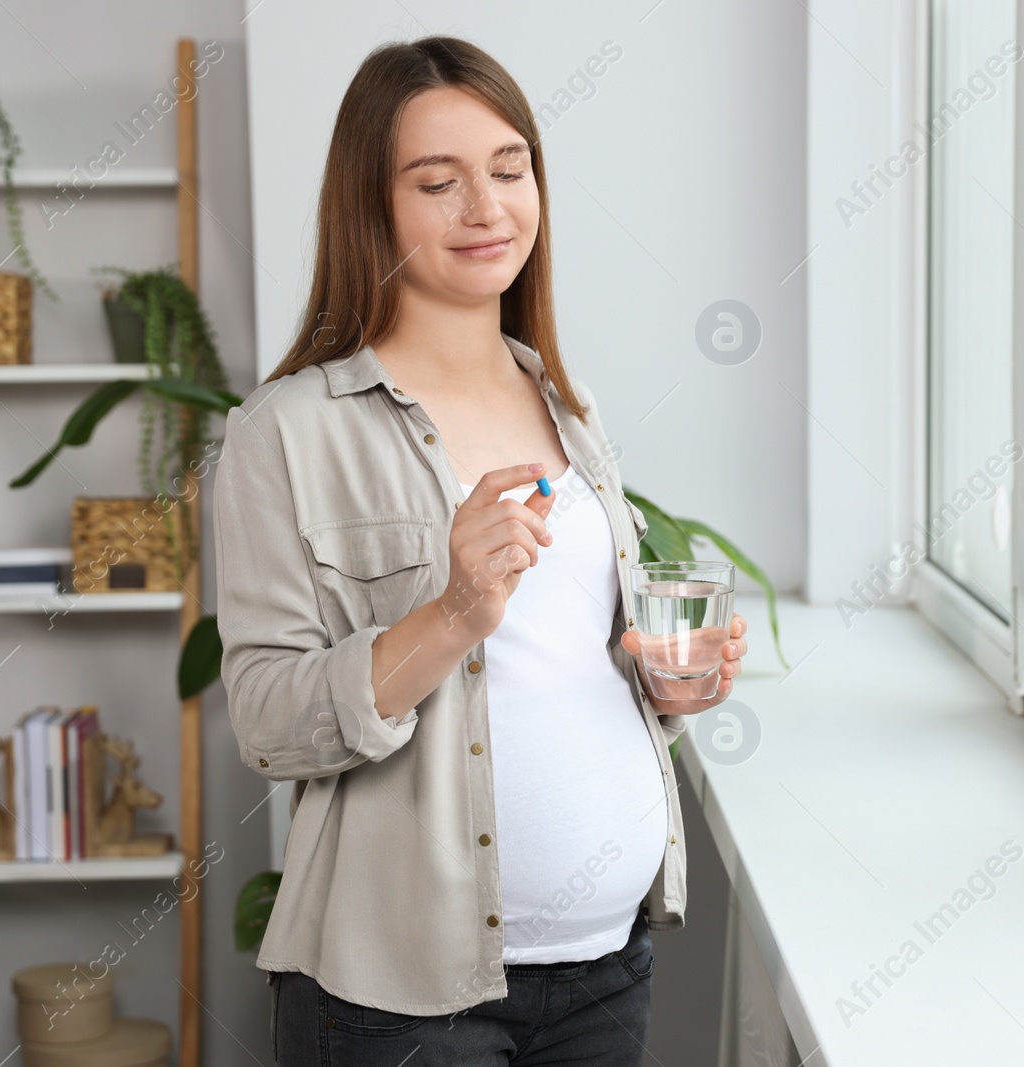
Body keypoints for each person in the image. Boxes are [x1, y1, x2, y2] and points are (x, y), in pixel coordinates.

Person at [213, 34, 749, 1066]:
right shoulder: (286, 430)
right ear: (372, 206)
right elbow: (272, 723)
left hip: (607, 964)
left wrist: (666, 686)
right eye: (437, 181)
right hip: (405, 1000)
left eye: (509, 169)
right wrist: (453, 611)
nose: (487, 208)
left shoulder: (564, 399)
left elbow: (563, 665)